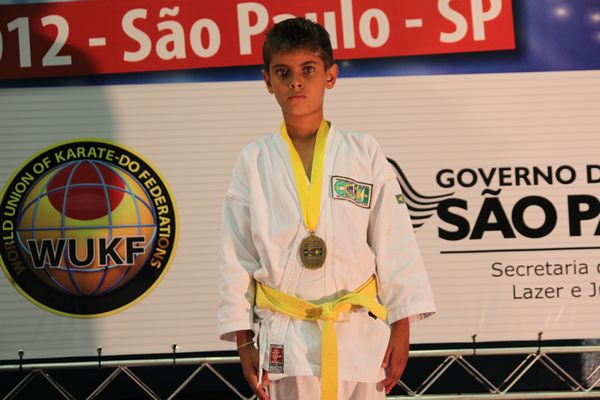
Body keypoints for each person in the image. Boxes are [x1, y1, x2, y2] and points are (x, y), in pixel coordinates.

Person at [218, 17, 435, 400]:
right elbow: (237, 255)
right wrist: (243, 339)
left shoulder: (363, 151)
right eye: (283, 72)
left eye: (308, 70)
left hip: (359, 335)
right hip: (286, 336)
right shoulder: (253, 160)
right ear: (267, 80)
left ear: (330, 76)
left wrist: (402, 325)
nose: (295, 82)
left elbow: (394, 239)